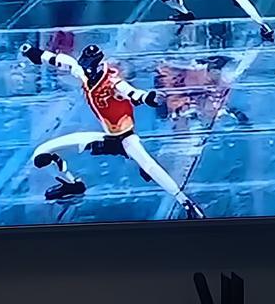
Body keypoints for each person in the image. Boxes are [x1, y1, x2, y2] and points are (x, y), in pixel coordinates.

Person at [20, 41, 205, 219]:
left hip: (125, 138)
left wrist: (148, 98)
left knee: (151, 167)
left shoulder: (113, 83)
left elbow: (133, 93)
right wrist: (35, 53)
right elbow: (65, 62)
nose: (85, 71)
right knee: (42, 154)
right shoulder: (84, 73)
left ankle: (186, 203)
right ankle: (71, 185)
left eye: (89, 68)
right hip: (106, 136)